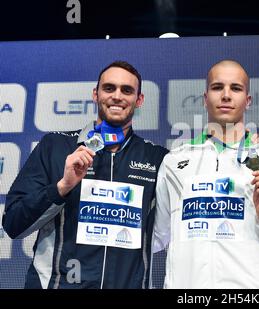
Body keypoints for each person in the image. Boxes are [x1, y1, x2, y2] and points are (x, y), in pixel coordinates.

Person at [2, 61, 168, 288]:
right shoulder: (56, 146)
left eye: (127, 90)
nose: (117, 96)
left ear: (139, 100)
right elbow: (13, 224)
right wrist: (62, 187)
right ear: (95, 94)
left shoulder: (157, 158)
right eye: (109, 88)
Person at [152, 60, 259, 288]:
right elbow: (154, 239)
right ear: (205, 98)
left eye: (236, 88)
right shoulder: (174, 162)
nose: (226, 95)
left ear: (248, 100)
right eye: (217, 87)